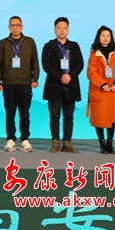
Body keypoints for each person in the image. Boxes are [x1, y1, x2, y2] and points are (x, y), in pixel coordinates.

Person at [0, 16, 39, 152]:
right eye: (12, 25)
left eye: (17, 25)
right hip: (8, 83)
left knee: (24, 113)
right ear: (9, 27)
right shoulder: (3, 43)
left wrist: (35, 79)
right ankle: (11, 139)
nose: (15, 28)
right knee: (10, 113)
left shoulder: (29, 42)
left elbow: (35, 61)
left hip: (25, 83)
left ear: (22, 27)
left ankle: (25, 139)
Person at [42, 17, 84, 153]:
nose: (62, 30)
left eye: (65, 28)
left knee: (69, 116)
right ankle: (55, 142)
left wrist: (70, 75)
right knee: (54, 116)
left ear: (68, 30)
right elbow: (46, 65)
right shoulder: (48, 46)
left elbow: (80, 64)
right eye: (59, 28)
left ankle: (67, 142)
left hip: (71, 85)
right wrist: (60, 76)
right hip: (54, 85)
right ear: (55, 30)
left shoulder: (74, 46)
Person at [86, 26, 115, 154]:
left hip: (113, 90)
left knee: (111, 117)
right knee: (99, 118)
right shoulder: (94, 53)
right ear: (98, 37)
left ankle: (110, 144)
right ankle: (102, 144)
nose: (105, 38)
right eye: (103, 35)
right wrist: (102, 84)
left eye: (108, 35)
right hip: (100, 90)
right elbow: (91, 71)